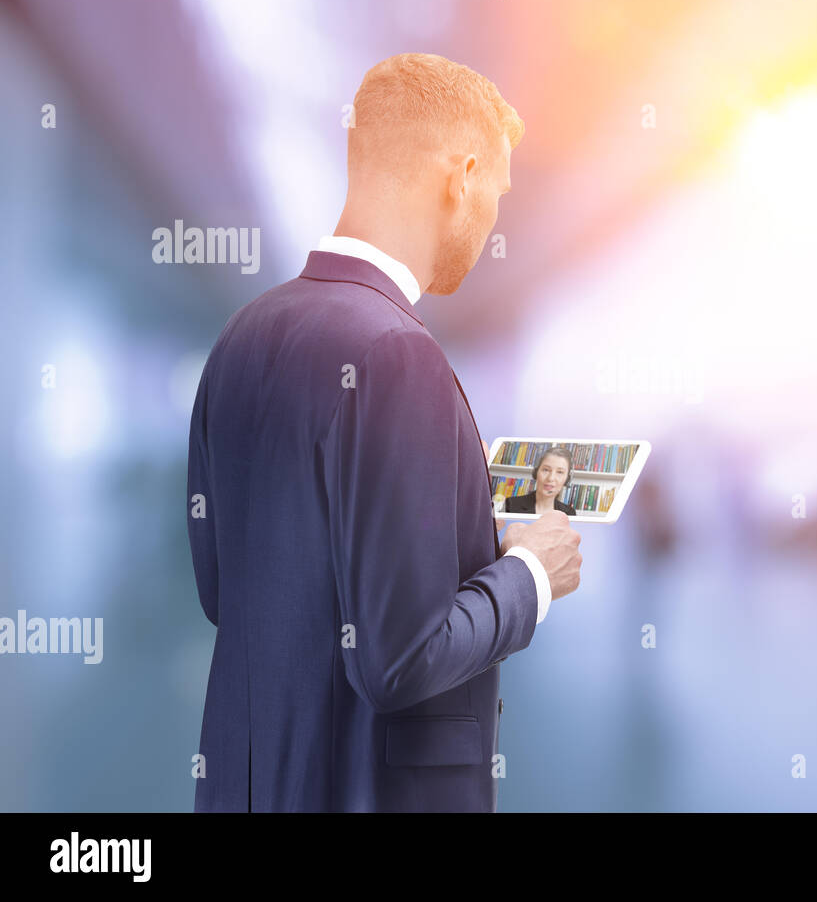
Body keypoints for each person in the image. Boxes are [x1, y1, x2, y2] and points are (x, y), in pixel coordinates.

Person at [186, 53, 582, 812]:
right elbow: (397, 658)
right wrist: (529, 575)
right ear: (459, 177)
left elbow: (222, 588)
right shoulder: (398, 354)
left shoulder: (241, 337)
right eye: (495, 192)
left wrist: (449, 550)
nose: (493, 217)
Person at [503, 446, 578, 516]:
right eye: (546, 470)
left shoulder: (569, 513)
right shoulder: (511, 505)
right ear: (536, 472)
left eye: (560, 472)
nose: (550, 478)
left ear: (567, 479)